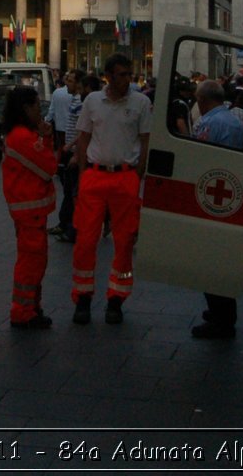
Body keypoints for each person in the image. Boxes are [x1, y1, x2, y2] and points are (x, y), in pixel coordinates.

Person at [70, 54, 150, 326]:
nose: (127, 79)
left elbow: (145, 140)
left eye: (129, 74)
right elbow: (83, 138)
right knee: (85, 240)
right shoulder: (93, 101)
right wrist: (82, 174)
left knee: (125, 241)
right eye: (121, 74)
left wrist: (138, 173)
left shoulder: (141, 102)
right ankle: (83, 297)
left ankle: (116, 298)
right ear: (108, 76)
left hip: (125, 176)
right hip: (95, 175)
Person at [189, 80, 243, 339]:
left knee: (212, 260)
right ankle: (221, 312)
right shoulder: (232, 120)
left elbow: (198, 155)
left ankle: (222, 318)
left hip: (214, 198)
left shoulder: (211, 123)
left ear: (203, 101)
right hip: (227, 196)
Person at [0, 85, 56, 329]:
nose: (40, 110)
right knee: (32, 261)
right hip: (29, 209)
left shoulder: (19, 134)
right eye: (36, 105)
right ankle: (23, 311)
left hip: (28, 209)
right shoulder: (23, 137)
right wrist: (46, 139)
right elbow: (48, 166)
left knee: (35, 260)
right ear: (25, 108)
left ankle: (30, 306)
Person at [47, 71, 81, 243]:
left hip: (74, 150)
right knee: (69, 188)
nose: (67, 83)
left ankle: (72, 226)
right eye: (67, 79)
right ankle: (67, 223)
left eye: (70, 80)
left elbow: (83, 130)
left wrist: (73, 149)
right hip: (69, 146)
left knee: (72, 190)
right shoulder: (72, 98)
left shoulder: (80, 100)